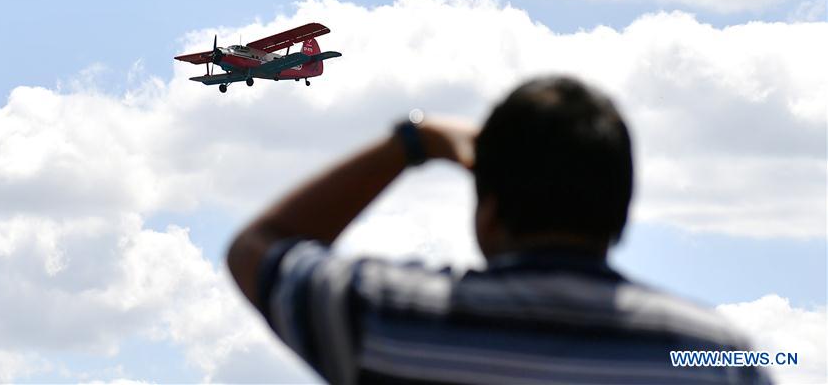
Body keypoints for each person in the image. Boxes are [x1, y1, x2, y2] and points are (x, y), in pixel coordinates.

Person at [227, 76, 770, 384]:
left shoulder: (386, 316)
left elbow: (258, 247)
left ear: (487, 210)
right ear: (622, 211)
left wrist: (416, 142)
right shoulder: (722, 357)